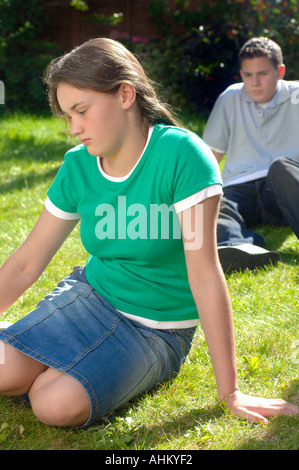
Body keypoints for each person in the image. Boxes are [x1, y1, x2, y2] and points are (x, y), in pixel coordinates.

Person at [0, 38, 297, 428]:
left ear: (125, 94)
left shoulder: (182, 156)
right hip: (89, 299)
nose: (74, 128)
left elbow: (205, 274)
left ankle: (43, 354)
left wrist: (231, 393)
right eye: (67, 117)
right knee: (6, 374)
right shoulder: (78, 166)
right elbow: (26, 262)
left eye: (82, 111)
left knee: (52, 405)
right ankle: (32, 343)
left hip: (155, 330)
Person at [203, 36, 299, 273]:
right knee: (216, 197)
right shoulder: (229, 98)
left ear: (280, 71)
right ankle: (239, 249)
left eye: (262, 73)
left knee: (281, 166)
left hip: (282, 187)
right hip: (240, 189)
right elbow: (210, 155)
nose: (254, 82)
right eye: (247, 75)